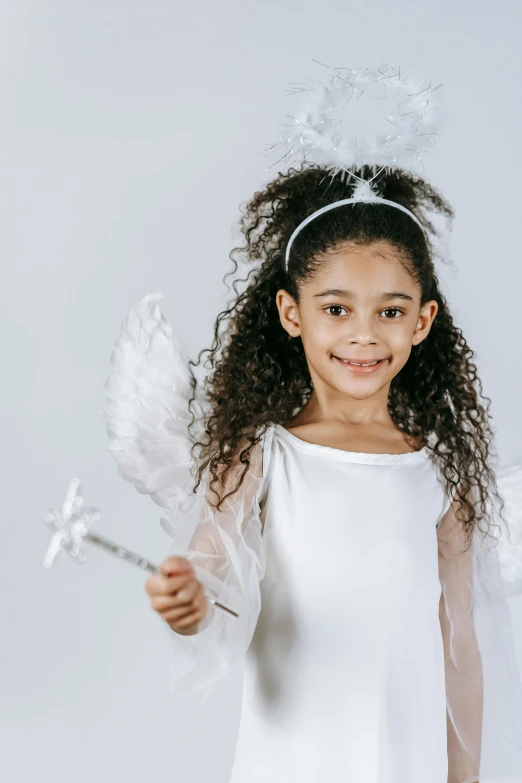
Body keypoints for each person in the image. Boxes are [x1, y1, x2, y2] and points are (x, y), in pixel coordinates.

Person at [102, 72, 522, 783]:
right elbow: (213, 561)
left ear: (423, 321)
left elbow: (460, 646)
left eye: (389, 310)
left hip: (405, 760)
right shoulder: (264, 456)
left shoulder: (441, 473)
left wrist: (466, 774)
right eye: (335, 308)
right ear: (292, 314)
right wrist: (190, 596)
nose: (363, 334)